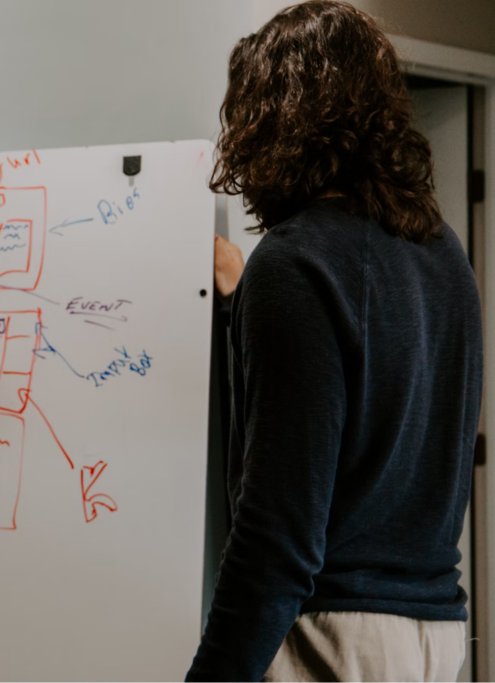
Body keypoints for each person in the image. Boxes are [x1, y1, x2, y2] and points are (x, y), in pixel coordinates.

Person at [187, 3, 481, 682]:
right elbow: (379, 407)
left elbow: (277, 537)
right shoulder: (442, 254)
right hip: (437, 635)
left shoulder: (294, 265)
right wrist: (243, 303)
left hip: (336, 640)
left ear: (271, 119)